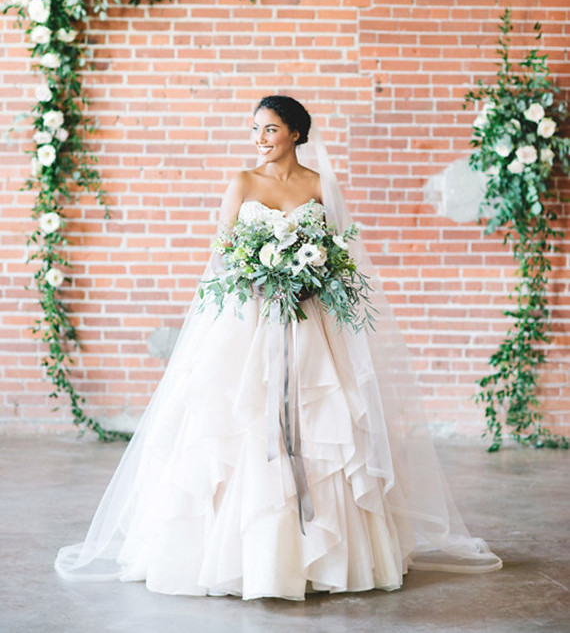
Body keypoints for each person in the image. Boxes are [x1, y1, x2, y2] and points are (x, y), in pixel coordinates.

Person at [55, 95, 502, 600]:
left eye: (269, 130)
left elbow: (341, 256)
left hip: (310, 320)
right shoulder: (243, 182)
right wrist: (261, 275)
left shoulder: (319, 186)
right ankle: (244, 557)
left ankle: (325, 557)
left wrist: (310, 275)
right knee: (239, 421)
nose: (259, 140)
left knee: (322, 421)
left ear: (295, 132)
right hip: (248, 320)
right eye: (254, 130)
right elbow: (222, 254)